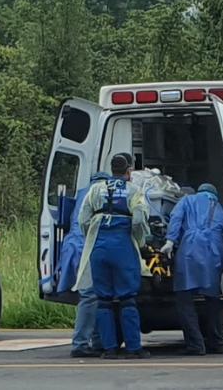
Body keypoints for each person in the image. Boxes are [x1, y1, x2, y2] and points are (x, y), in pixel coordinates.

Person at [75, 152, 151, 360]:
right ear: (128, 171)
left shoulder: (96, 190)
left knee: (104, 300)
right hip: (123, 247)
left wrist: (92, 237)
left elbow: (83, 220)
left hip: (99, 248)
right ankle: (134, 349)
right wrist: (140, 242)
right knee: (127, 299)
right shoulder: (134, 191)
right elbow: (138, 221)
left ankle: (108, 349)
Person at [160, 183, 223, 355]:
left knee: (184, 298)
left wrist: (170, 241)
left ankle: (196, 344)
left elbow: (175, 218)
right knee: (213, 299)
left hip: (190, 249)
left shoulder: (187, 200)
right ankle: (217, 342)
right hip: (214, 252)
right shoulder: (218, 207)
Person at [55, 175, 105, 358]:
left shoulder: (84, 191)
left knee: (95, 296)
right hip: (84, 247)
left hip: (73, 246)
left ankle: (97, 340)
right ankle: (81, 343)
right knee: (90, 295)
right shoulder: (99, 191)